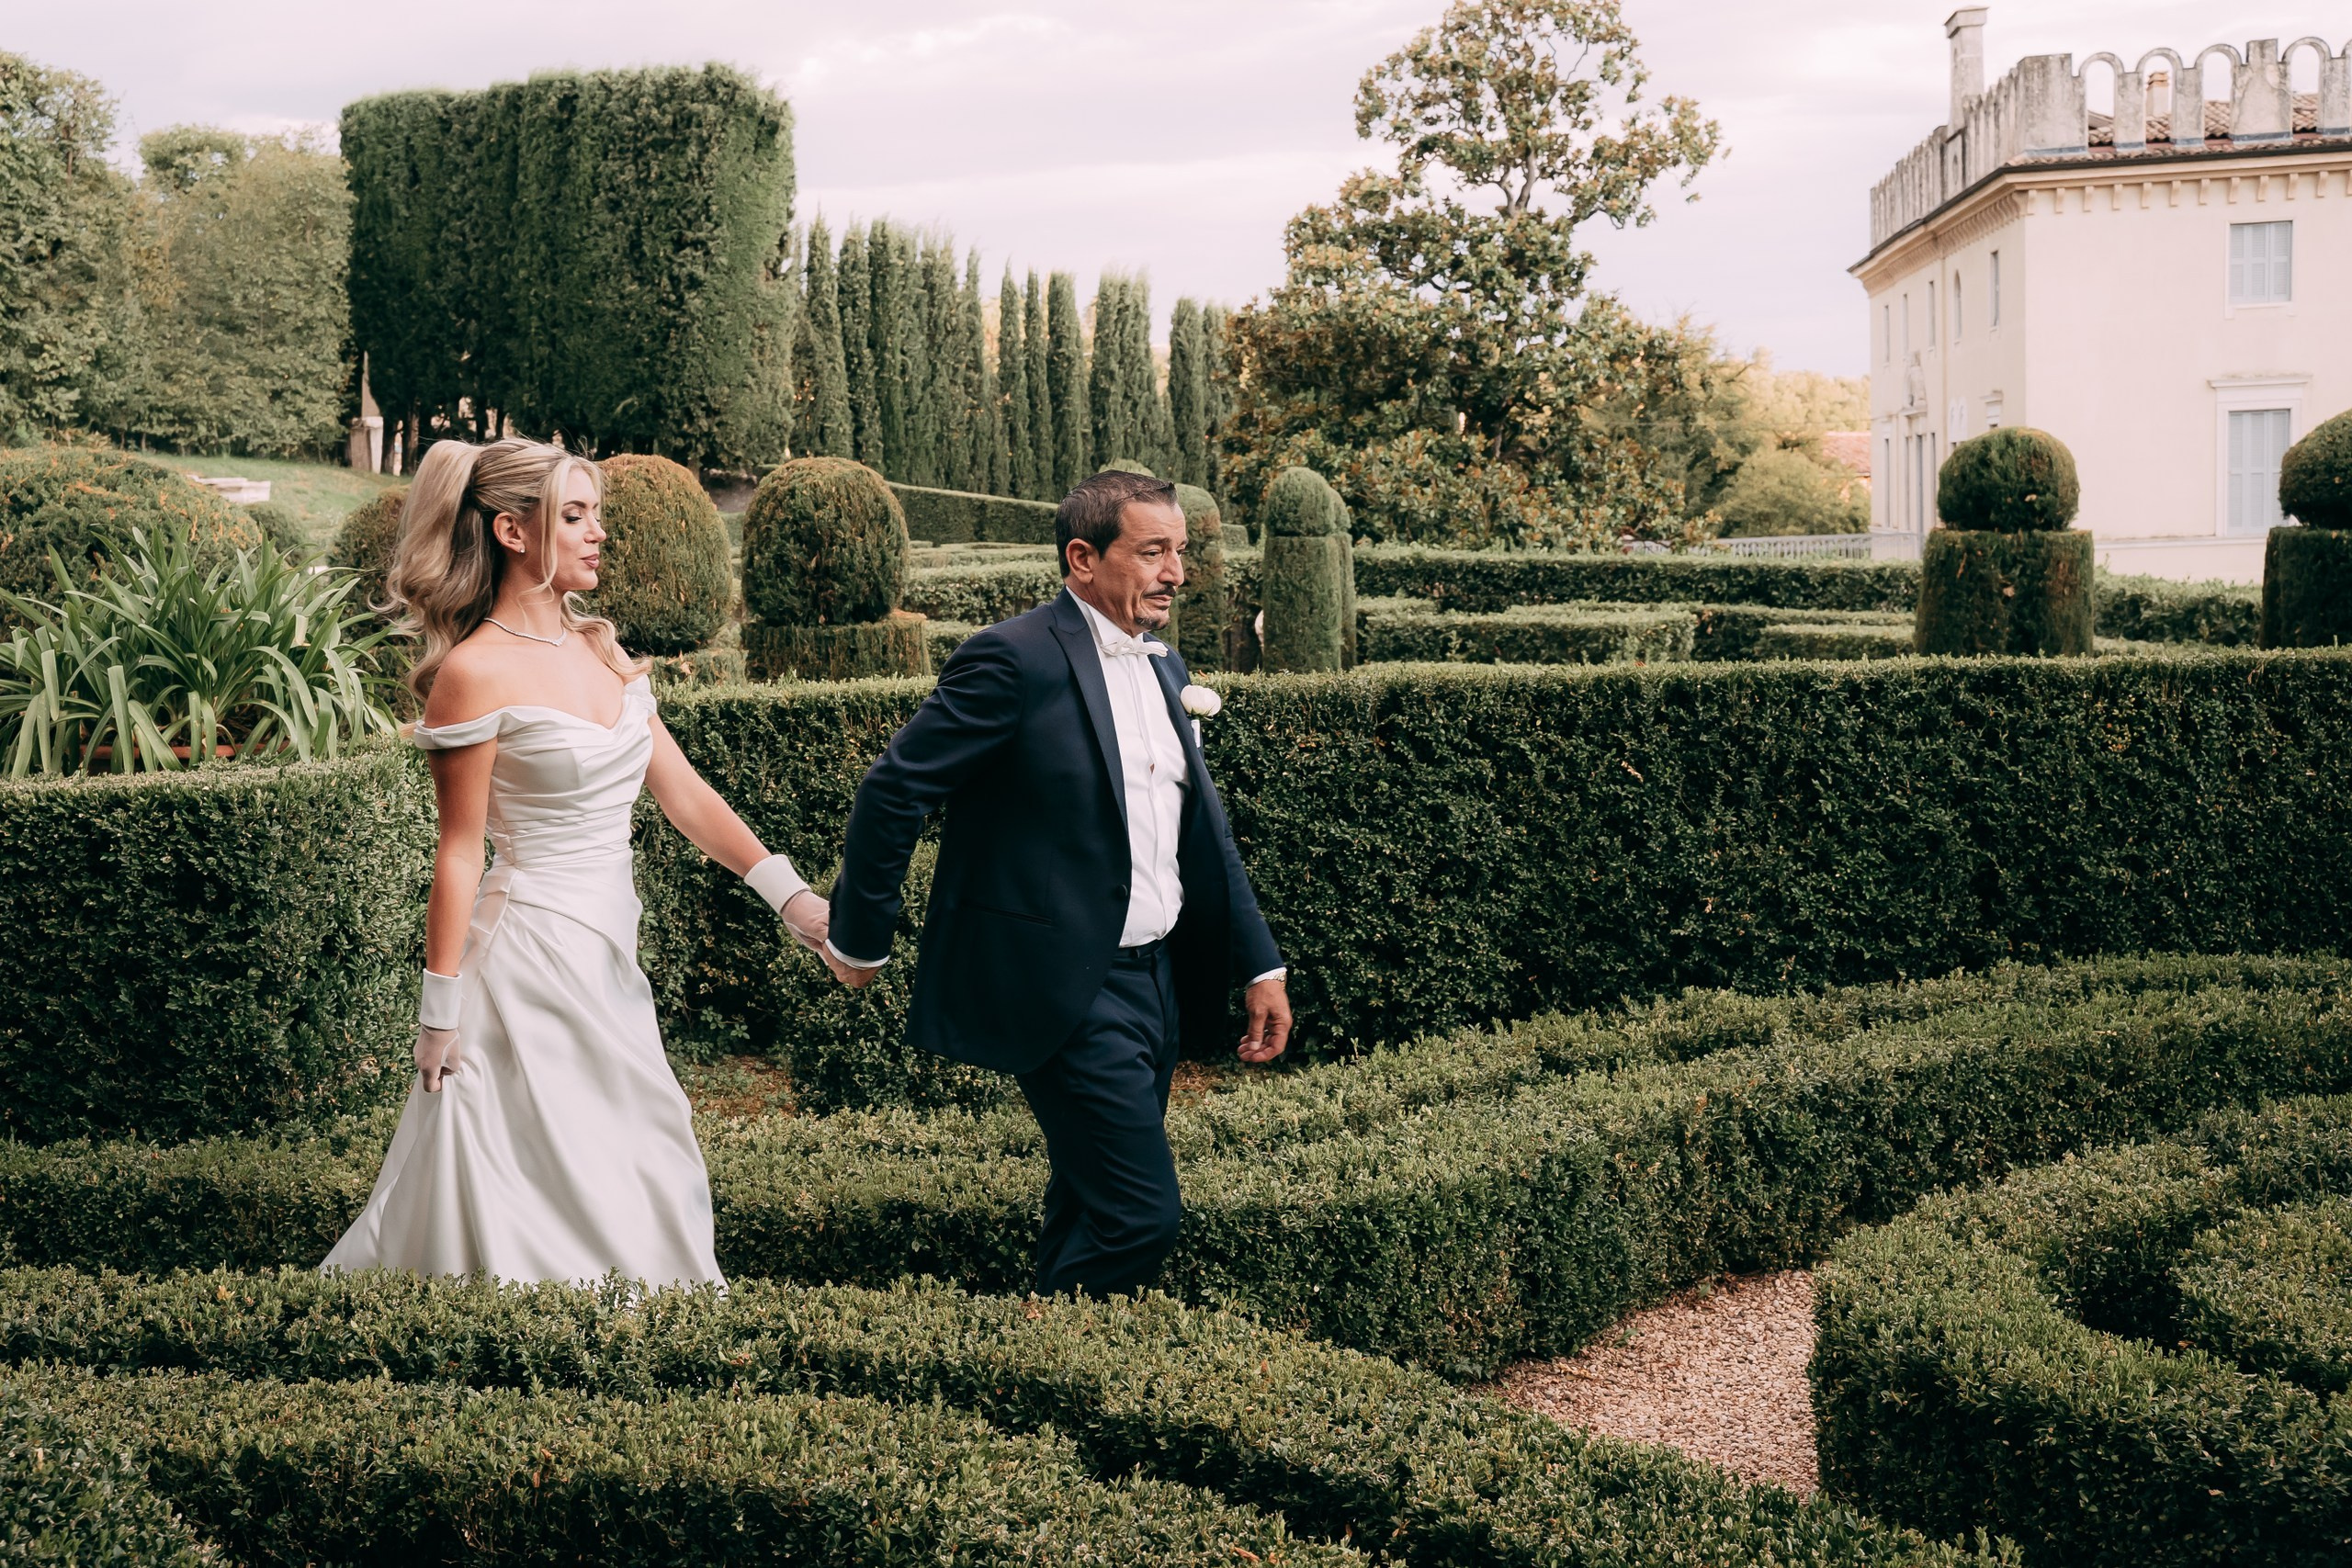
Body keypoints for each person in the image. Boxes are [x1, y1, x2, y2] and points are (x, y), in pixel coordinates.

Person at [322, 436, 829, 1287]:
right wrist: (438, 1012)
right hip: (524, 958)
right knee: (530, 1167)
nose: (599, 534)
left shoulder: (602, 650)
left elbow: (687, 797)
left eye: (596, 514)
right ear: (513, 532)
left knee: (639, 1143)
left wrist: (795, 900)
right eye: (575, 515)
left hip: (606, 953)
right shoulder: (472, 672)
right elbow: (457, 852)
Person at [823, 468, 1291, 1298]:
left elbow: (1201, 829)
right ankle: (1048, 1364)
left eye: (1179, 553)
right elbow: (895, 790)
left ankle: (1047, 1381)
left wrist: (1260, 963)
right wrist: (860, 935)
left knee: (1088, 1200)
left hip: (1157, 982)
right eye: (1153, 553)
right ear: (1082, 556)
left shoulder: (1164, 664)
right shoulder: (1011, 658)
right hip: (1066, 986)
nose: (1176, 574)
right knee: (1141, 1214)